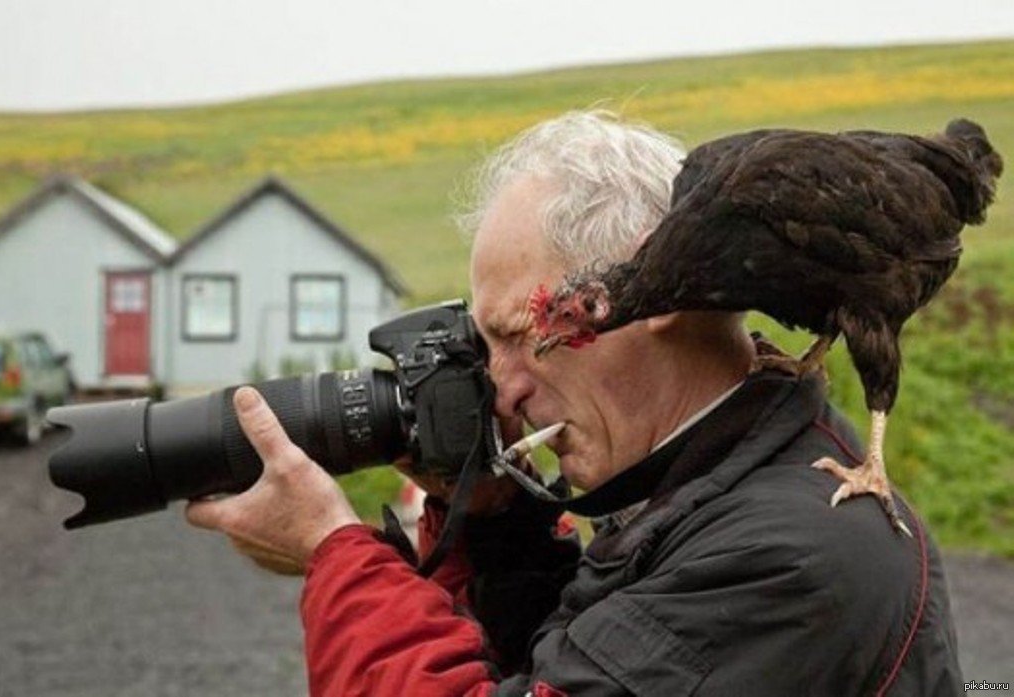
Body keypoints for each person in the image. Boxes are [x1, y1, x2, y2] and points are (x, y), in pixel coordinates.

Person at [185, 111, 964, 695]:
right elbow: (574, 661)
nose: (503, 387)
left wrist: (337, 557)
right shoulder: (711, 492)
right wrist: (495, 527)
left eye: (524, 336)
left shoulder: (793, 552)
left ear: (650, 296)